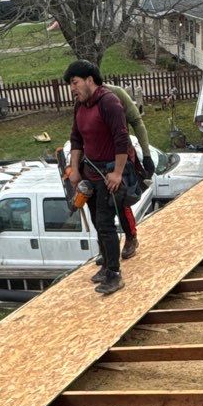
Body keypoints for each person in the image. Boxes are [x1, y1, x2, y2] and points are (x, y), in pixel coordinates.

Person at [64, 59, 128, 294]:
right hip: (90, 173)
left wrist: (118, 173)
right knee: (96, 223)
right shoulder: (80, 106)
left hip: (108, 173)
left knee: (105, 222)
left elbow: (122, 139)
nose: (72, 88)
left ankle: (114, 273)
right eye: (71, 84)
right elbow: (76, 138)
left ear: (90, 80)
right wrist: (74, 169)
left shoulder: (109, 102)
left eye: (75, 82)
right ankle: (106, 264)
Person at [103, 84, 154, 261]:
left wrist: (146, 155)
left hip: (121, 154)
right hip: (98, 158)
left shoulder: (116, 94)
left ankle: (131, 237)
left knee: (121, 198)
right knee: (101, 203)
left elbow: (137, 122)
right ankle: (108, 248)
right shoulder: (83, 100)